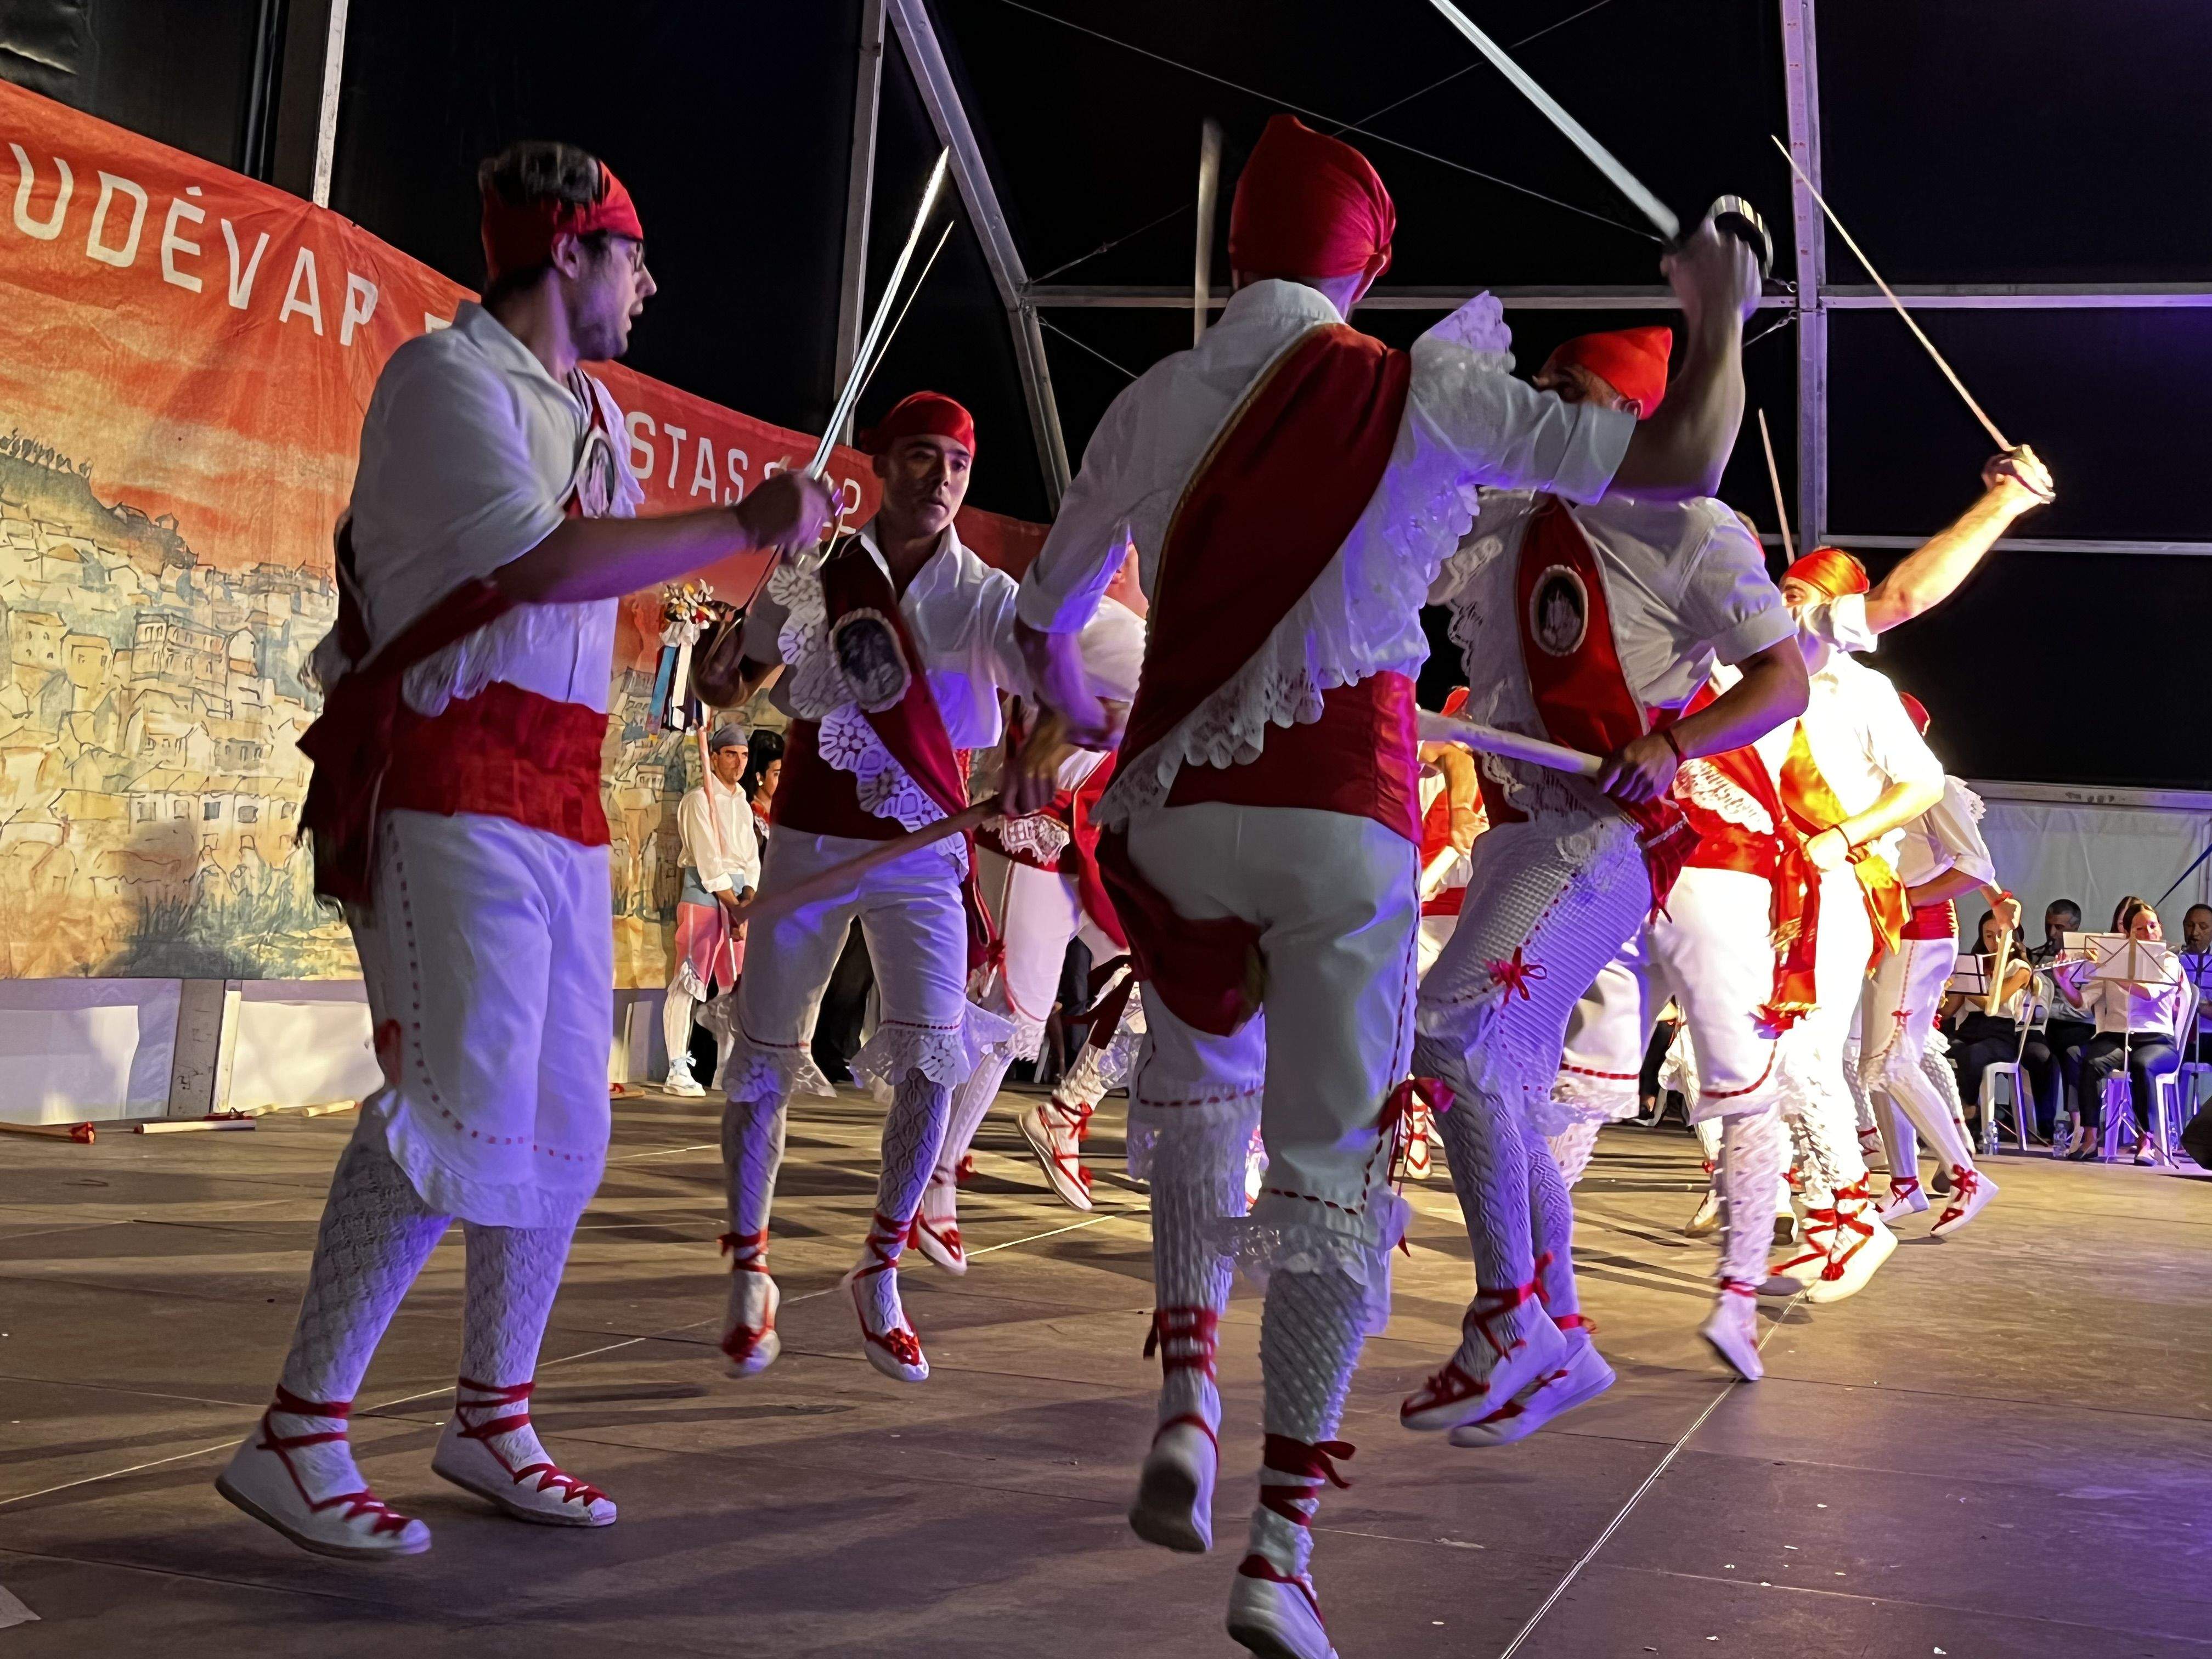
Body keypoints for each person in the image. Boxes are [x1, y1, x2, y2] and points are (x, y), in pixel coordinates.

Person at [1009, 118, 1761, 1659]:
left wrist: (1076, 724)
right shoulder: (1422, 391)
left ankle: (1183, 1399)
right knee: (1332, 1173)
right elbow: (1684, 451)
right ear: (1372, 263)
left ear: (1238, 254)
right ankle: (1282, 1546)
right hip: (1339, 828)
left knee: (1199, 1097)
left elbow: (1048, 622)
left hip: (1167, 816)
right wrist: (1722, 308)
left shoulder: (1148, 402)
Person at [220, 141, 831, 1559]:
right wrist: (743, 518)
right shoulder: (448, 385)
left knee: (566, 1118)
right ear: (568, 252)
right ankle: (296, 1430)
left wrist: (763, 598)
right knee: (455, 1092)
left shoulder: (589, 413)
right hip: (444, 768)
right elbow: (532, 566)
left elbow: (616, 590)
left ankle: (491, 1414)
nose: (652, 282)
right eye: (633, 255)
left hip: (554, 791)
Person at [1419, 324, 1808, 1404]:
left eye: (1567, 390)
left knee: (1455, 1033)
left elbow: (1783, 679)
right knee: (1502, 1080)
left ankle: (1516, 1320)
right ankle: (1566, 1330)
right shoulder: (1502, 514)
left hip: (1608, 835)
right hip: (1513, 835)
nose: (1540, 402)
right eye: (1538, 385)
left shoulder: (1684, 524)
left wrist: (1676, 743)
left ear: (1633, 417)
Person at [713, 391, 1026, 1386]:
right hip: (807, 838)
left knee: (936, 1060)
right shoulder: (818, 564)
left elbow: (1051, 682)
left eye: (959, 466)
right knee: (764, 1054)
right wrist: (724, 658)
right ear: (880, 463)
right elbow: (737, 686)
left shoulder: (984, 591)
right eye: (922, 458)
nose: (941, 480)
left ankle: (881, 1264)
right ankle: (748, 1267)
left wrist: (1041, 756)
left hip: (924, 847)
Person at [915, 545, 1149, 1262]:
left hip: (1089, 843)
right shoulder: (1107, 621)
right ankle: (934, 1173)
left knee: (1149, 977)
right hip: (1038, 835)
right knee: (1005, 1015)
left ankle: (1068, 1110)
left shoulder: (1123, 620)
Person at [1753, 548, 1944, 1304]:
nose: (1784, 604)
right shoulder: (1760, 684)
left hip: (1837, 885)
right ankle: (1826, 1220)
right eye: (1781, 591)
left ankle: (1856, 1219)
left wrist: (1847, 835)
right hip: (1770, 889)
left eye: (1798, 595)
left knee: (1805, 1049)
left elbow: (1923, 780)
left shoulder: (1864, 689)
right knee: (1770, 1054)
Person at [1859, 694, 2016, 1237]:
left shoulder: (1933, 785)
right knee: (1875, 1066)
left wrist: (1905, 899)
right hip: (1888, 936)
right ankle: (1904, 1184)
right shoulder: (1885, 789)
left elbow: (1973, 864)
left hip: (1919, 937)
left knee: (1893, 1062)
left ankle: (1966, 1175)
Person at [662, 724, 759, 1096]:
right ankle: (676, 1067)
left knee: (734, 987)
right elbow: (707, 860)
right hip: (706, 896)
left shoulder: (741, 803)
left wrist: (747, 900)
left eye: (744, 755)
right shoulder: (699, 801)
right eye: (731, 754)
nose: (739, 762)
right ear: (714, 757)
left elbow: (751, 859)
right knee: (689, 981)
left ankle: (726, 1068)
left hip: (738, 901)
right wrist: (733, 905)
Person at [2061, 897, 2198, 1161]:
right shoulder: (2110, 960)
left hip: (2157, 1041)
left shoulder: (2168, 961)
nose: (2149, 933)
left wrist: (2109, 970)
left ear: (2160, 928)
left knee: (2142, 1064)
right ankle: (2090, 1138)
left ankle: (2145, 1141)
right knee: (2089, 1062)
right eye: (2140, 929)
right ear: (2128, 933)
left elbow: (2148, 994)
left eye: (2153, 926)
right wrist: (2066, 982)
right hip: (2114, 1036)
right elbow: (2082, 1002)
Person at [1946, 907, 2040, 1130]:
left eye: (2001, 934)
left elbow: (1993, 1004)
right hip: (1969, 1029)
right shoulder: (1974, 966)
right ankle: (1941, 1119)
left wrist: (1966, 987)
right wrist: (1943, 986)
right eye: (1989, 935)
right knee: (1937, 1052)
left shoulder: (2020, 968)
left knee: (1973, 1055)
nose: (1995, 941)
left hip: (2000, 1034)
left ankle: (1968, 1110)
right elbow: (1949, 1011)